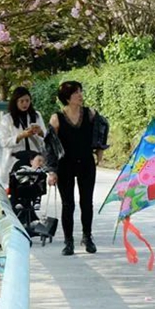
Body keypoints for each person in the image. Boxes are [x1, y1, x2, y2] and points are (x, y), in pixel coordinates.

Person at [47, 81, 104, 256]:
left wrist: (100, 149)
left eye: (80, 91)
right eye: (76, 92)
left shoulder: (90, 114)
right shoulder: (57, 118)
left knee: (87, 202)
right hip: (65, 165)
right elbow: (50, 146)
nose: (80, 95)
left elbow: (102, 128)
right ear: (67, 97)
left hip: (86, 162)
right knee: (68, 204)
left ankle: (87, 237)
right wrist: (52, 170)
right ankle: (68, 241)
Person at [0, 87, 46, 187]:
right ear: (15, 102)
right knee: (18, 191)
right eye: (22, 101)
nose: (25, 104)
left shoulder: (36, 116)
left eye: (27, 101)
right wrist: (20, 136)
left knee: (35, 190)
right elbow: (3, 142)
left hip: (34, 160)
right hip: (15, 160)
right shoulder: (7, 119)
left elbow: (46, 138)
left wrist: (40, 132)